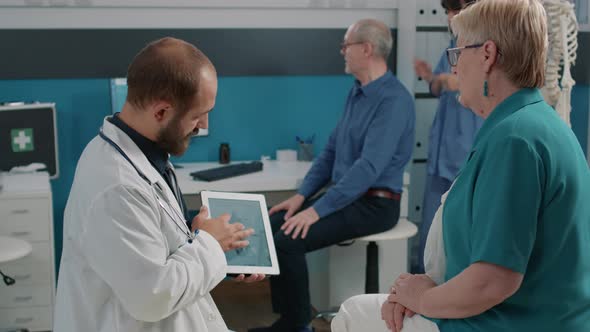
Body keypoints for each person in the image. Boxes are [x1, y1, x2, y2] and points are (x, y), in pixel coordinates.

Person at [332, 0, 590, 331]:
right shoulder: (528, 123)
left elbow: (492, 281)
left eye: (457, 53)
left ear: (487, 55)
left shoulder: (515, 140)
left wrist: (422, 299)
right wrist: (418, 289)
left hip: (513, 322)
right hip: (521, 312)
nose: (453, 68)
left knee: (354, 313)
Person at [54, 37, 264, 332]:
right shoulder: (116, 186)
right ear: (162, 112)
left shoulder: (144, 153)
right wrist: (211, 245)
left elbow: (154, 244)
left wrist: (196, 237)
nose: (203, 124)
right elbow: (152, 296)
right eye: (197, 115)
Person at [249, 19, 415, 332]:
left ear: (366, 49)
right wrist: (300, 199)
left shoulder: (393, 100)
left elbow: (368, 169)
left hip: (376, 205)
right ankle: (288, 317)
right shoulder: (357, 93)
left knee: (287, 240)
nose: (342, 52)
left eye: (345, 45)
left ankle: (298, 326)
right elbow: (329, 154)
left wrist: (315, 211)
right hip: (350, 197)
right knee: (273, 226)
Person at [413, 0, 483, 273]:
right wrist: (433, 77)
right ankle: (423, 287)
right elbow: (440, 85)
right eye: (448, 12)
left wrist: (454, 82)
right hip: (442, 153)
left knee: (459, 234)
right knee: (431, 228)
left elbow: (467, 86)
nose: (451, 17)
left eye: (456, 10)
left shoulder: (484, 50)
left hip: (464, 153)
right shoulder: (453, 47)